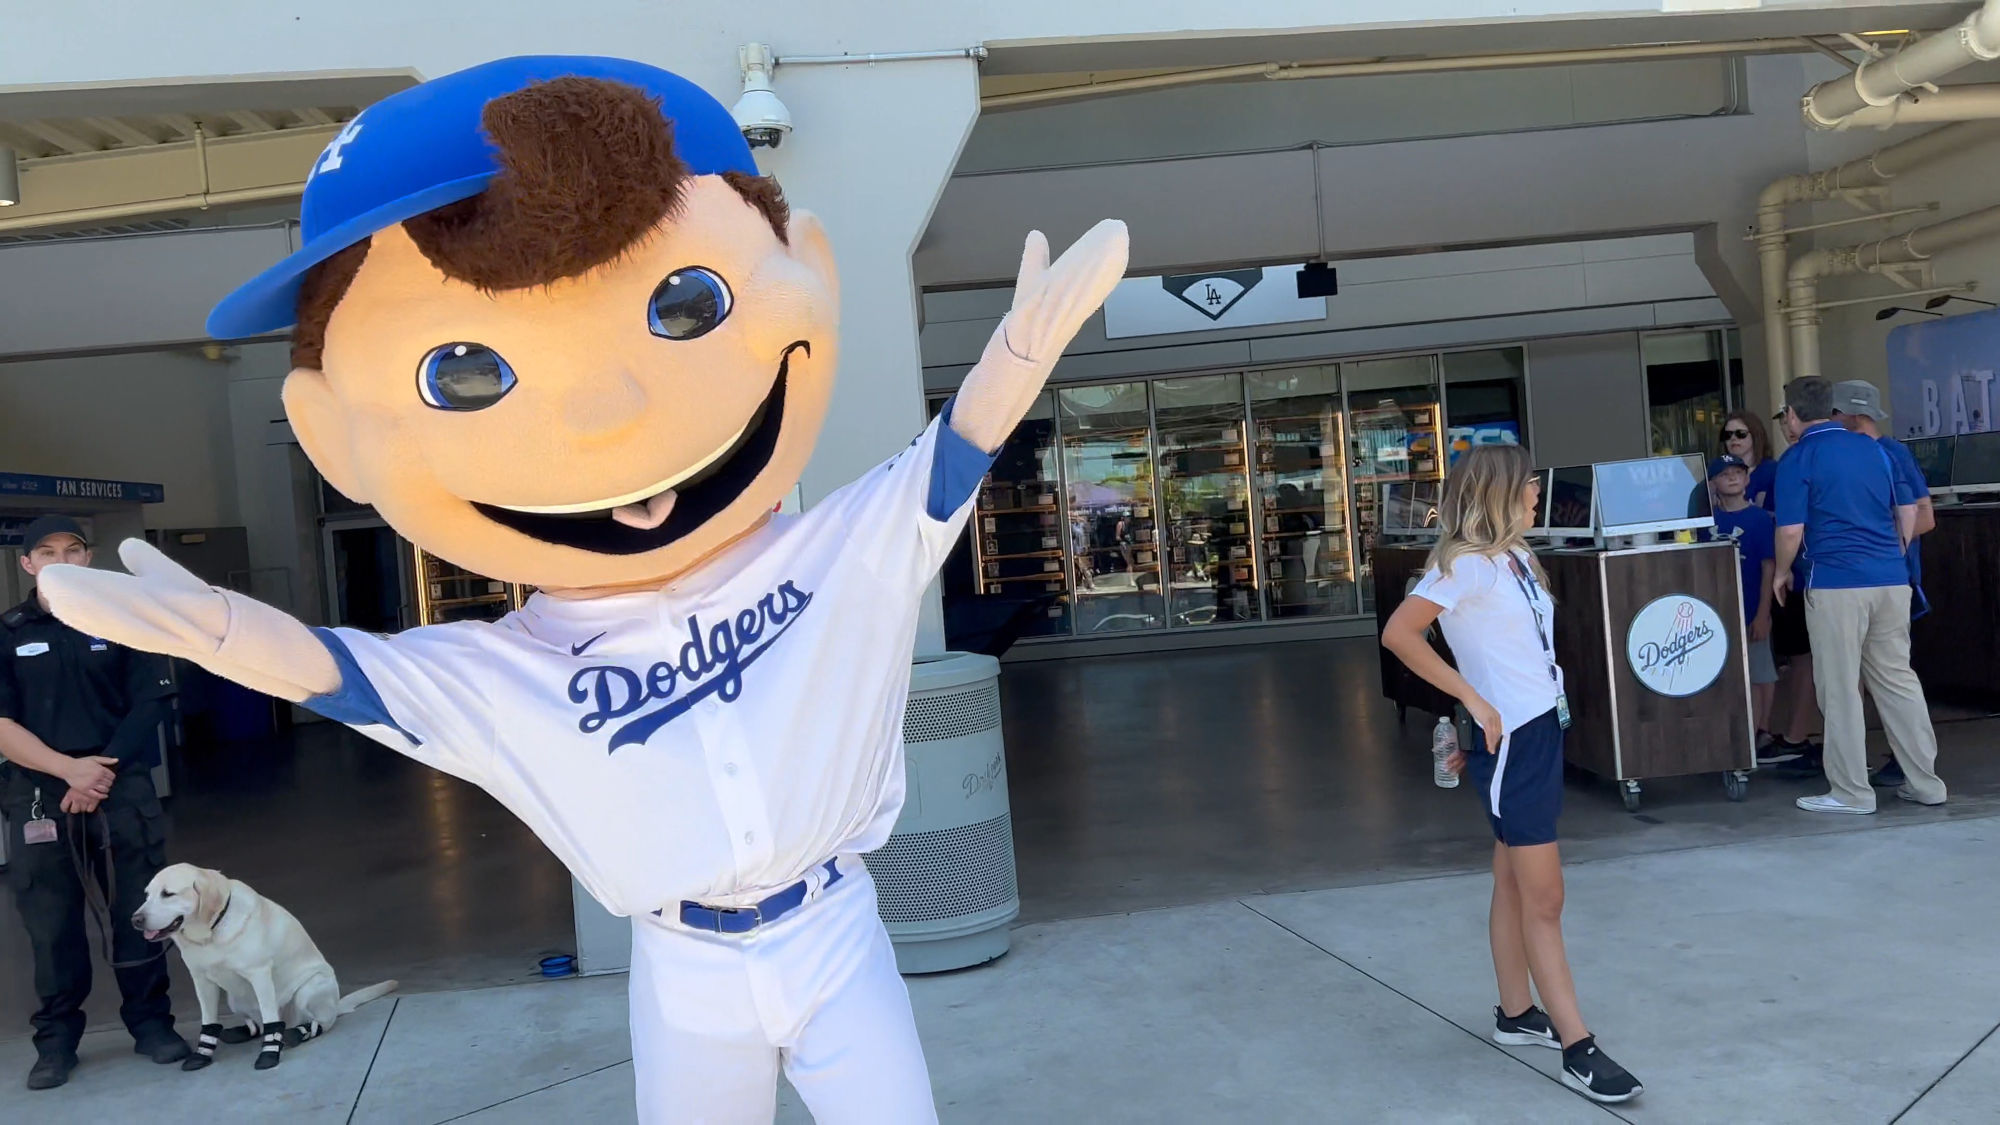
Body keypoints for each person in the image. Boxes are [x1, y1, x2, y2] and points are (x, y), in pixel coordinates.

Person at [35, 56, 1129, 1120]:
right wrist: (216, 630)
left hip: (835, 925)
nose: (606, 414)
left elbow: (939, 470)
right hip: (682, 954)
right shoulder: (508, 668)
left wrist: (1014, 359)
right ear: (331, 433)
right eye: (465, 374)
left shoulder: (828, 555)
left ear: (806, 268)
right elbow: (346, 677)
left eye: (683, 306)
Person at [1381, 444, 1643, 1105]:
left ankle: (1515, 1011)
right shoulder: (1463, 563)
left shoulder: (1519, 556)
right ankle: (1578, 1047)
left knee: (1511, 876)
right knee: (1544, 898)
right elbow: (1400, 634)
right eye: (1529, 485)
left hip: (1538, 732)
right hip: (1512, 743)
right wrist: (1472, 699)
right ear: (1498, 490)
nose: (1537, 493)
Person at [0, 516, 188, 1089]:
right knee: (51, 923)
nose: (62, 559)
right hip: (39, 790)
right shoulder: (7, 632)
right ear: (28, 564)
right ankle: (56, 1042)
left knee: (142, 911)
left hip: (120, 783)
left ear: (89, 559)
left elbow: (149, 705)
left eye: (74, 550)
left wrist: (95, 776)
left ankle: (152, 1025)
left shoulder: (124, 621)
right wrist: (66, 771)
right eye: (46, 552)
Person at [1772, 378, 1947, 814]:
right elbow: (1907, 510)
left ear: (1793, 415)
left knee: (1840, 687)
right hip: (1891, 579)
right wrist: (1894, 553)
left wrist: (1779, 573)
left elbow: (1791, 529)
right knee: (1898, 680)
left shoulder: (1798, 457)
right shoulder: (1876, 449)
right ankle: (1926, 783)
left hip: (1836, 581)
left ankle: (1851, 791)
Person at [1830, 380, 1934, 789]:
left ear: (1852, 416)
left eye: (1835, 415)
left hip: (1888, 580)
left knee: (1887, 679)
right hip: (1875, 579)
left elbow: (1925, 518)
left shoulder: (1892, 452)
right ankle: (1900, 767)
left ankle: (1908, 766)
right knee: (1870, 680)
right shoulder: (1859, 453)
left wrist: (1877, 546)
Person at [1701, 455, 1779, 752]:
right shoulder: (1706, 520)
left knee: (1757, 675)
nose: (1732, 478)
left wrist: (1763, 613)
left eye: (1738, 472)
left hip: (1750, 610)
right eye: (1724, 474)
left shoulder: (1759, 519)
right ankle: (1727, 738)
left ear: (1748, 479)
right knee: (1722, 677)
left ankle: (1755, 737)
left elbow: (1768, 568)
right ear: (1713, 484)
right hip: (1714, 613)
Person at [1718, 411, 1779, 511]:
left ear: (1755, 435)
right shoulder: (1717, 473)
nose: (1733, 438)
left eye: (1740, 434)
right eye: (1727, 435)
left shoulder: (1773, 470)